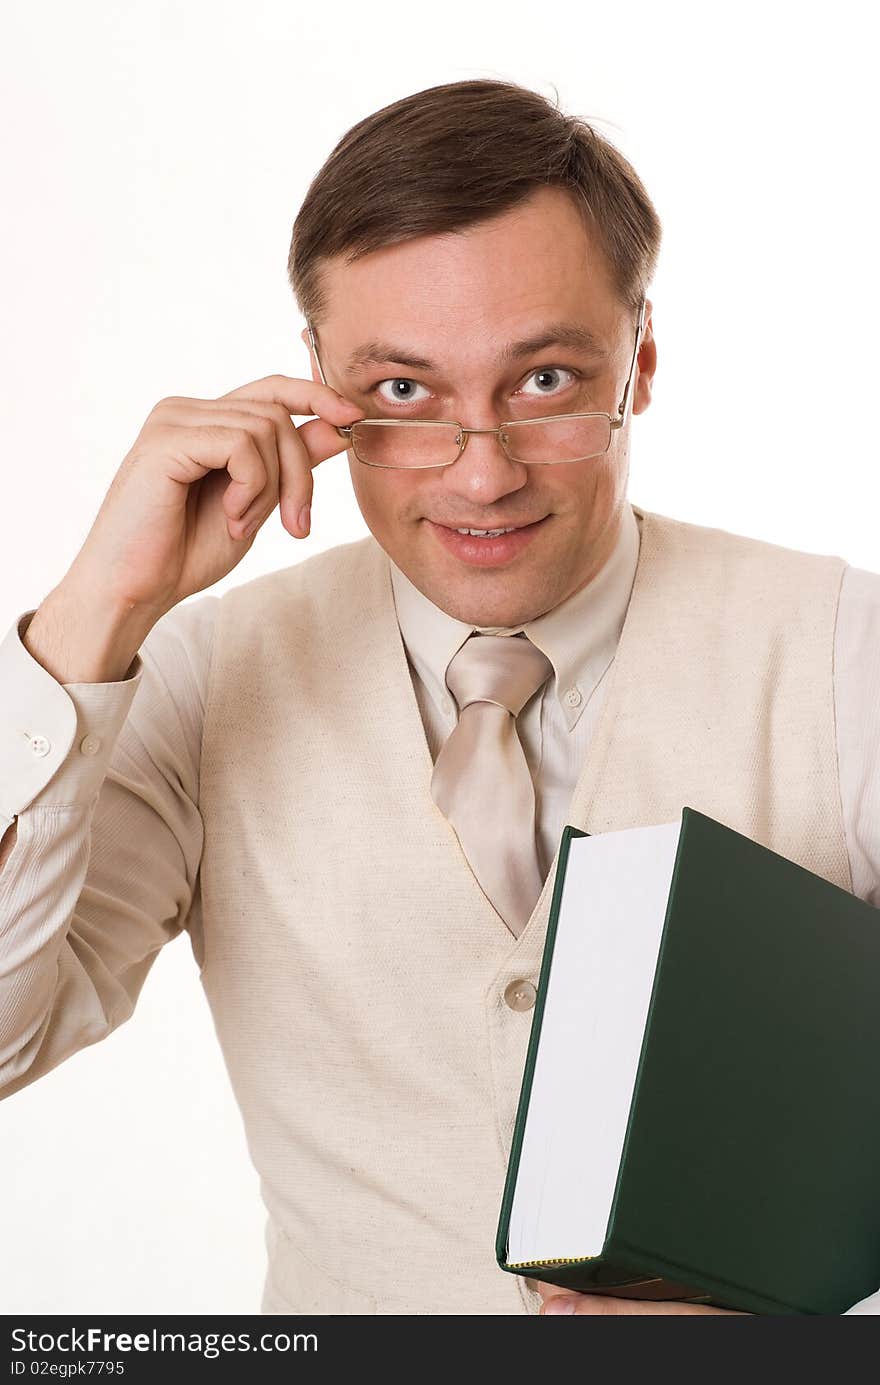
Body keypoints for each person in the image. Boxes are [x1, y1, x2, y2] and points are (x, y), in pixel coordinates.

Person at [1, 77, 878, 1317]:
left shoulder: (846, 647)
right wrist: (90, 614)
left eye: (544, 383)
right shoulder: (195, 678)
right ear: (315, 382)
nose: (481, 472)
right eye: (404, 394)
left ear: (642, 357)